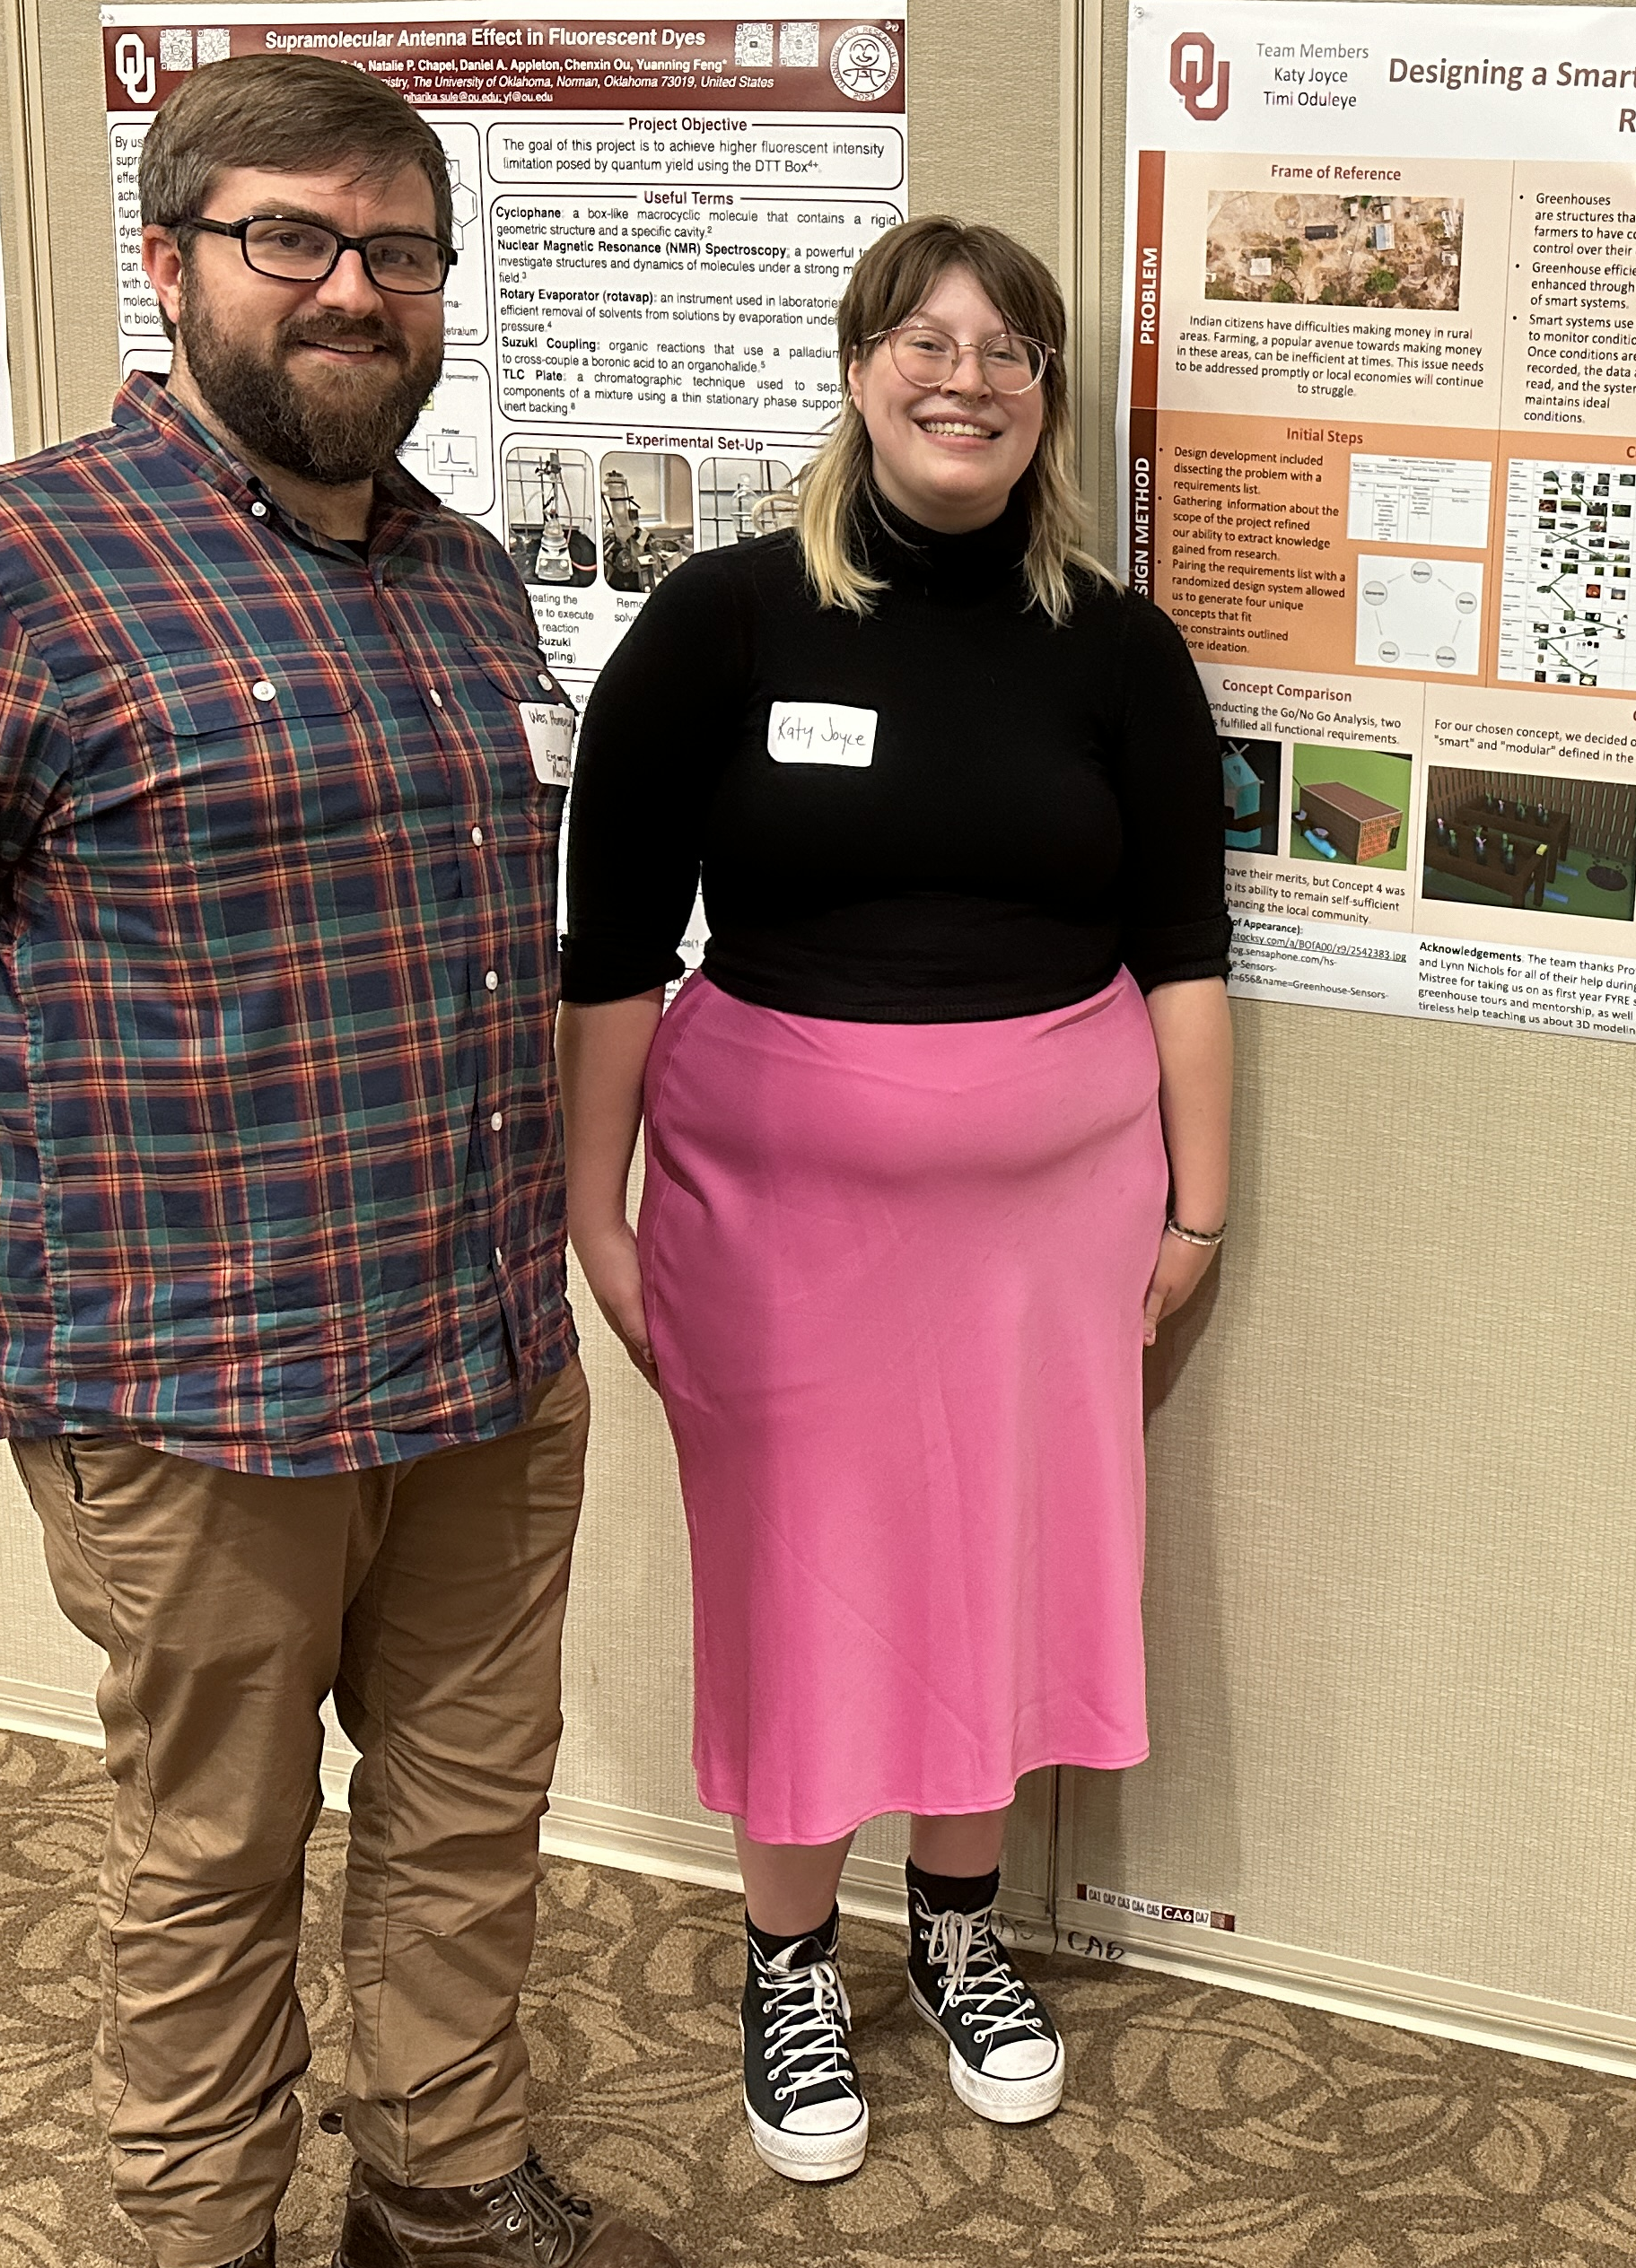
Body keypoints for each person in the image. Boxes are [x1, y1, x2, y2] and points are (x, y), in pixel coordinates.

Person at [0, 54, 675, 2268]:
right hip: (196, 1385)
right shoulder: (33, 566)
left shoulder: (468, 579)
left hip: (478, 1349)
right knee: (210, 1860)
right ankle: (198, 2236)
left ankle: (441, 2187)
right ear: (170, 260)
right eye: (290, 236)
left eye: (397, 249)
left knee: (470, 1819)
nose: (352, 288)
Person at [557, 215, 1233, 2185]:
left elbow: (1184, 951)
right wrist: (593, 1210)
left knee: (1001, 1560)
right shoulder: (724, 621)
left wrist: (1198, 1212)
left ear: (1046, 393)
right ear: (859, 370)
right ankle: (786, 1956)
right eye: (926, 341)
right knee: (803, 1575)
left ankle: (954, 1928)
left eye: (1009, 346)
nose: (968, 378)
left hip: (1052, 1230)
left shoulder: (1117, 648)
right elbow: (613, 947)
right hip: (773, 1224)